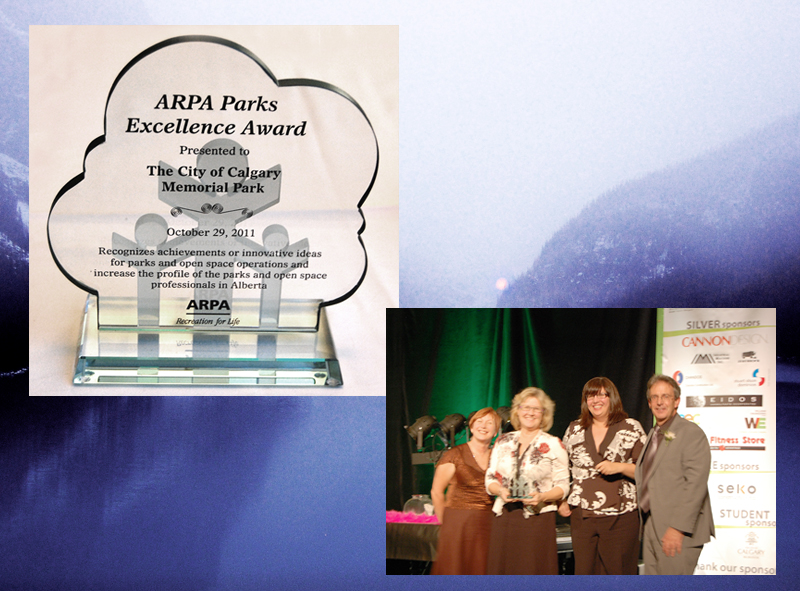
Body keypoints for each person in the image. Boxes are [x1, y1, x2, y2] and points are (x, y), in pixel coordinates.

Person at [559, 377, 646, 575]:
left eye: (601, 395)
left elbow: (648, 470)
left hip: (620, 517)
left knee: (618, 575)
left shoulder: (631, 427)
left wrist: (620, 467)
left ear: (611, 397)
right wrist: (561, 499)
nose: (595, 400)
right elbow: (562, 468)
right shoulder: (574, 429)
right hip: (582, 517)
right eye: (590, 396)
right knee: (585, 574)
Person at [635, 374, 715, 575]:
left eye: (666, 396)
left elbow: (695, 485)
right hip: (652, 524)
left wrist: (678, 528)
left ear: (677, 401)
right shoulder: (654, 434)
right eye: (654, 397)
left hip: (678, 530)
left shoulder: (691, 433)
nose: (659, 402)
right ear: (649, 402)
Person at [484, 387, 569, 575]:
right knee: (502, 572)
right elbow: (490, 478)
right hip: (505, 516)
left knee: (532, 571)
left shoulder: (553, 443)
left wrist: (542, 496)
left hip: (537, 519)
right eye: (526, 407)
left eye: (536, 409)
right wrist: (500, 491)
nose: (530, 413)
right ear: (517, 411)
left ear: (544, 414)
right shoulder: (503, 441)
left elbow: (563, 486)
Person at [430, 407, 501, 575]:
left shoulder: (498, 457)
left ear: (496, 431)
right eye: (479, 421)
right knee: (455, 569)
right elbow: (436, 492)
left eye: (489, 423)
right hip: (458, 523)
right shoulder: (454, 454)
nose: (483, 426)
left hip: (488, 522)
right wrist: (445, 523)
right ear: (471, 427)